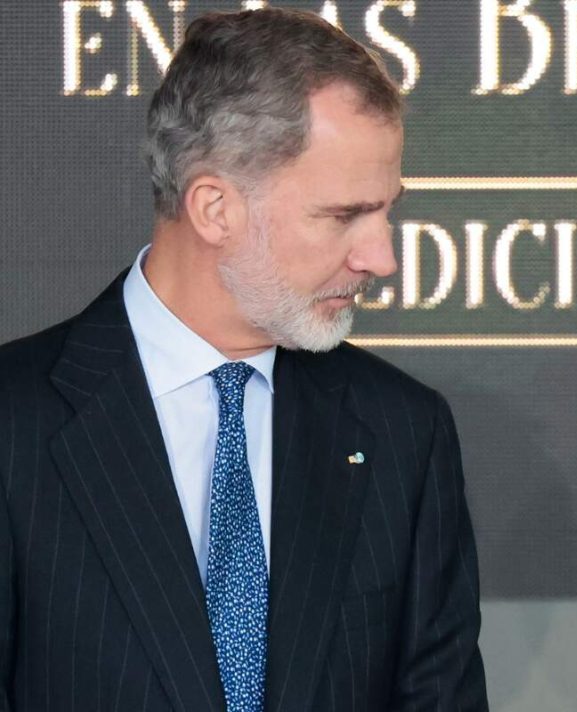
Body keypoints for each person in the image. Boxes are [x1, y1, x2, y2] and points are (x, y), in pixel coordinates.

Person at [0, 8, 487, 711]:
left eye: (386, 212)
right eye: (343, 215)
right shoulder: (14, 425)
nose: (381, 257)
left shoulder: (403, 432)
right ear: (214, 209)